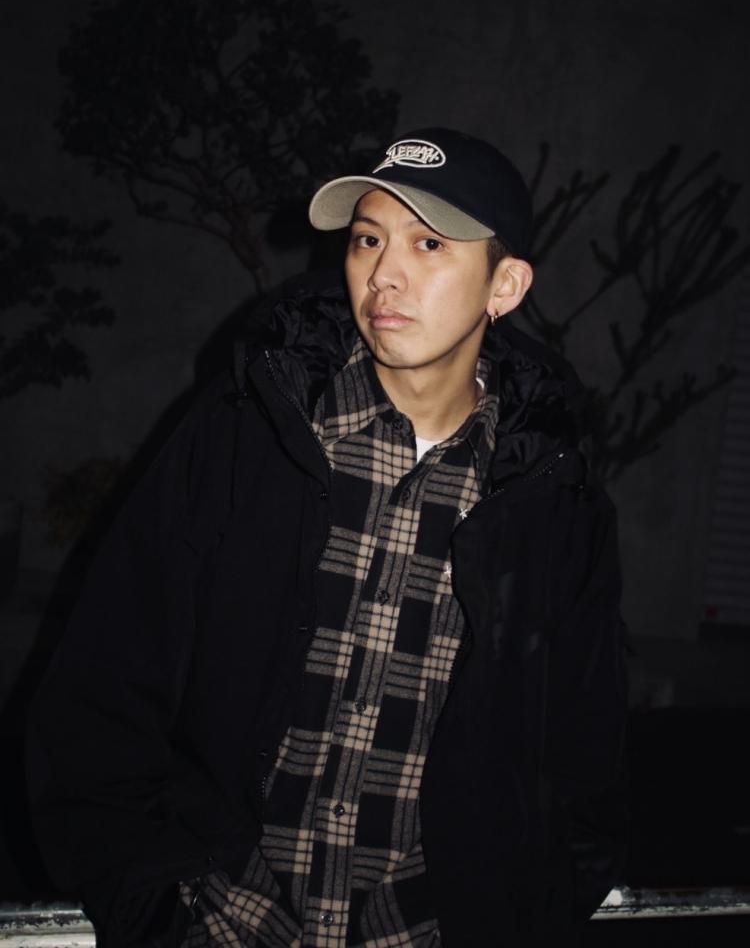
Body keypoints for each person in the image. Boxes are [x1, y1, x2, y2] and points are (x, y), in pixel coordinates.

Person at [27, 127, 628, 948]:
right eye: (367, 239)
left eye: (429, 244)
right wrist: (147, 901)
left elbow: (586, 750)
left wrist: (527, 913)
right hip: (226, 922)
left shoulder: (547, 495)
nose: (385, 274)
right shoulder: (251, 432)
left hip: (422, 930)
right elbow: (105, 675)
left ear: (506, 284)